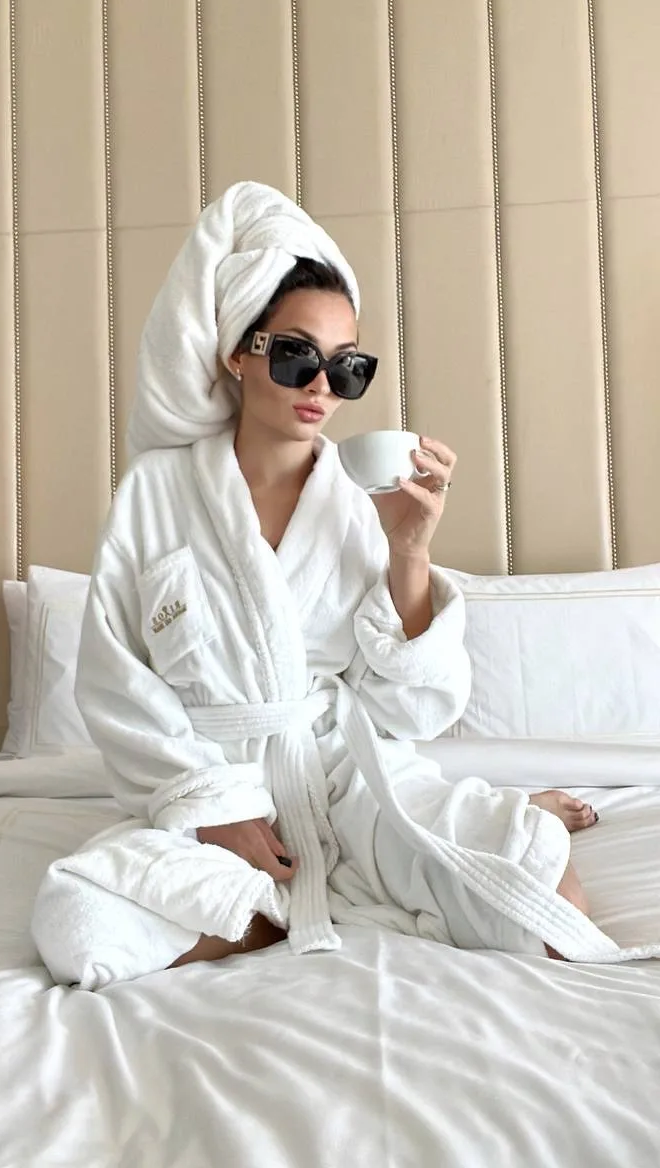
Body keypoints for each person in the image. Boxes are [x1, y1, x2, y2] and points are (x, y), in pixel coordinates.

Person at [32, 183, 599, 990]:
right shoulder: (156, 493)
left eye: (347, 366)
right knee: (78, 923)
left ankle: (309, 890)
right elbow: (117, 681)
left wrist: (409, 549)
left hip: (345, 776)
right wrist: (214, 808)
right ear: (237, 352)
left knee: (547, 898)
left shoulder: (362, 498)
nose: (322, 385)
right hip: (215, 781)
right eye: (297, 355)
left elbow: (407, 710)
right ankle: (307, 897)